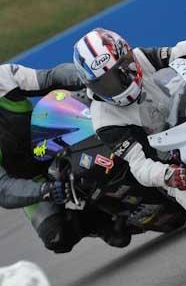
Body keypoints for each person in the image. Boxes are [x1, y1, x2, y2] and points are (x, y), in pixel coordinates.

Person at [73, 28, 186, 245]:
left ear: (128, 58)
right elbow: (138, 166)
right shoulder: (103, 120)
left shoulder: (141, 58)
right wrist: (168, 175)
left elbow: (178, 51)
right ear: (91, 86)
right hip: (176, 162)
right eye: (106, 83)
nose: (118, 84)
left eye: (120, 72)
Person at [0, 63, 123, 253]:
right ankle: (95, 220)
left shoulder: (3, 75)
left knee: (107, 128)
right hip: (31, 179)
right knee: (56, 237)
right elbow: (3, 189)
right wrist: (44, 190)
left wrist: (86, 79)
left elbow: (51, 78)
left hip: (55, 142)